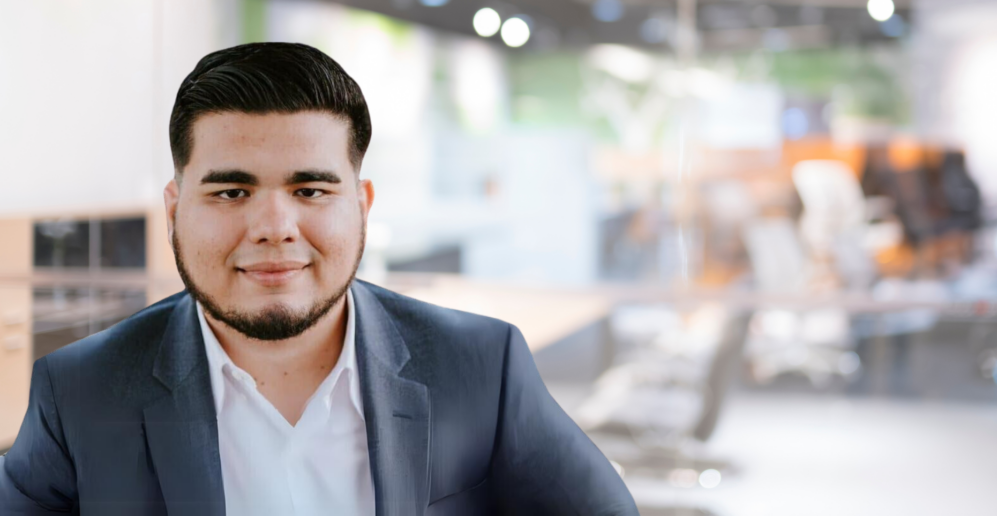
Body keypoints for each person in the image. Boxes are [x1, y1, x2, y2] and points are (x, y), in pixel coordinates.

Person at [0, 43, 638, 515]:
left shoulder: (480, 365)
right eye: (230, 191)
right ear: (174, 209)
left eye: (310, 189)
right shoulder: (80, 391)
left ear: (361, 205)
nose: (274, 227)